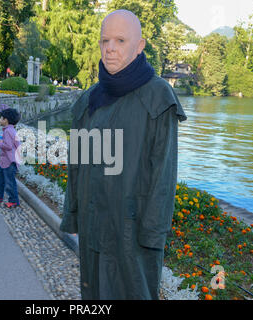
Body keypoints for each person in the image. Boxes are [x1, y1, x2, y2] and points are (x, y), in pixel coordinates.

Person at [59, 10, 187, 300]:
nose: (110, 48)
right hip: (92, 228)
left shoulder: (158, 97)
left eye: (119, 39)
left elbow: (163, 175)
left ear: (139, 46)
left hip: (132, 233)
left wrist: (152, 235)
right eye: (105, 40)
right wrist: (73, 218)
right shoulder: (87, 100)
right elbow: (76, 168)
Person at [0, 108, 21, 208]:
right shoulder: (9, 130)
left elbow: (8, 146)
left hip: (10, 162)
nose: (0, 120)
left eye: (1, 118)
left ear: (6, 120)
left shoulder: (8, 131)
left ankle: (14, 201)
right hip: (5, 161)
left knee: (10, 182)